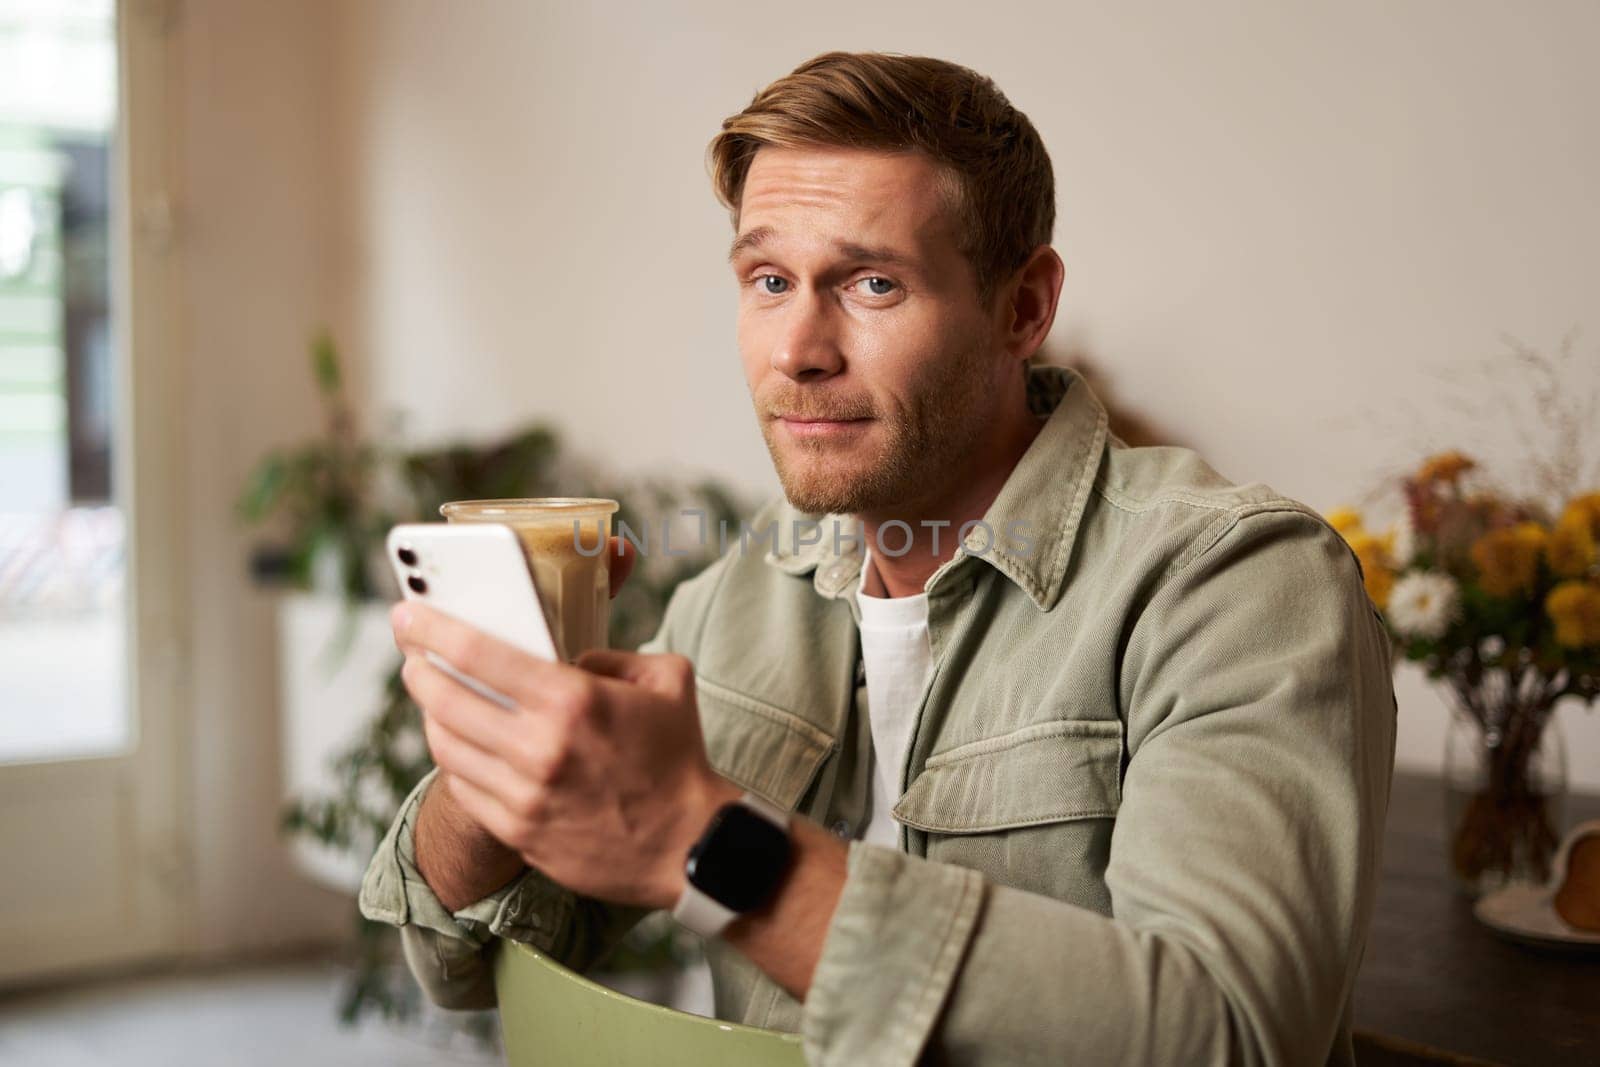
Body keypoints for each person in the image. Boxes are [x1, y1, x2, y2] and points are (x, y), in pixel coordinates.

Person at [359, 50, 1397, 1066]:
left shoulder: (1238, 580)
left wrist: (705, 835)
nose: (797, 349)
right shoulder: (738, 596)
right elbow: (458, 959)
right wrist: (495, 752)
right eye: (769, 279)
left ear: (1022, 308)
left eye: (870, 284)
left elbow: (1235, 1035)